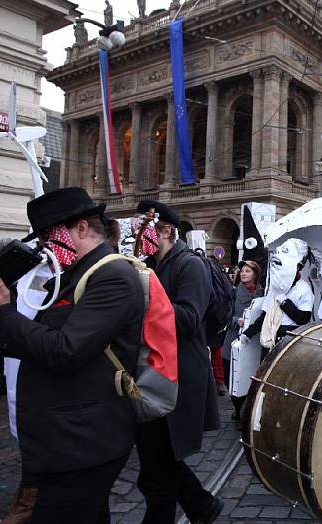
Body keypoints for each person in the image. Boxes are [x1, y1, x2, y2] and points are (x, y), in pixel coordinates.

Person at [0, 187, 144, 523]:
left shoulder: (112, 275)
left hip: (83, 440)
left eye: (50, 234)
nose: (46, 245)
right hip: (65, 437)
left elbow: (65, 350)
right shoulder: (74, 273)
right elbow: (42, 337)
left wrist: (0, 315)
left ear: (81, 227)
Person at [134, 199, 223, 524]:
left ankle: (194, 508)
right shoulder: (152, 265)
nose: (139, 237)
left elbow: (188, 318)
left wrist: (143, 297)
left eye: (145, 230)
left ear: (166, 230)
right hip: (153, 372)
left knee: (159, 462)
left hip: (177, 376)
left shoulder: (190, 265)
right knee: (158, 457)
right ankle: (202, 506)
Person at [243, 238, 313, 356]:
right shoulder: (274, 287)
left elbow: (303, 319)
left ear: (298, 265)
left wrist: (285, 303)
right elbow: (265, 316)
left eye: (285, 252)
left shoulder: (304, 288)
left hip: (289, 342)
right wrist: (248, 333)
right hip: (269, 339)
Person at [222, 260, 263, 421]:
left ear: (255, 274)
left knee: (248, 376)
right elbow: (224, 315)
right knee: (229, 375)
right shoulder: (233, 292)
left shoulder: (263, 293)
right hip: (233, 339)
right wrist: (236, 320)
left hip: (253, 342)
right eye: (242, 271)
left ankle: (244, 410)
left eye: (248, 271)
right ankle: (237, 407)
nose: (244, 273)